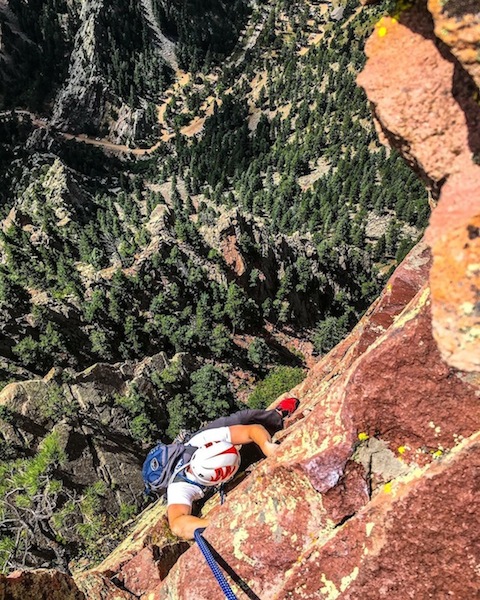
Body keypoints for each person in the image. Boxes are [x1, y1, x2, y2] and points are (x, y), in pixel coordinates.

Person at [167, 397, 300, 539]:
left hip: (203, 442)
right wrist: (214, 524)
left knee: (245, 418)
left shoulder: (205, 440)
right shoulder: (180, 488)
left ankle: (277, 414)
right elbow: (177, 525)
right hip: (205, 471)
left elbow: (252, 430)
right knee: (252, 453)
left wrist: (266, 445)